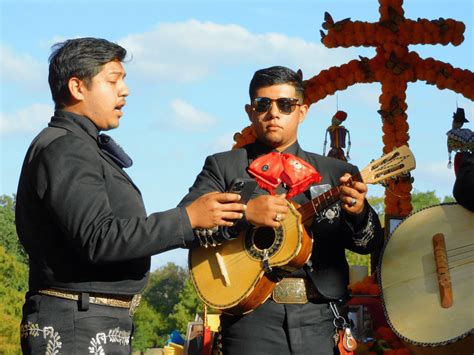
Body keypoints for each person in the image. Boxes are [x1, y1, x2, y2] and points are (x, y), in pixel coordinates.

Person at [15, 37, 245, 354]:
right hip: (76, 326)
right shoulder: (67, 148)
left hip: (89, 320)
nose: (125, 90)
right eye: (113, 80)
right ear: (77, 87)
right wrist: (188, 218)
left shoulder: (80, 146)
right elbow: (100, 237)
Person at [179, 66, 383, 354]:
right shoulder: (224, 167)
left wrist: (358, 211)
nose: (274, 112)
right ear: (250, 111)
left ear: (302, 111)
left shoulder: (337, 173)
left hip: (320, 317)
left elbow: (369, 244)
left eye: (285, 104)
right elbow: (185, 223)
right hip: (249, 320)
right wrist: (245, 213)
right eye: (264, 104)